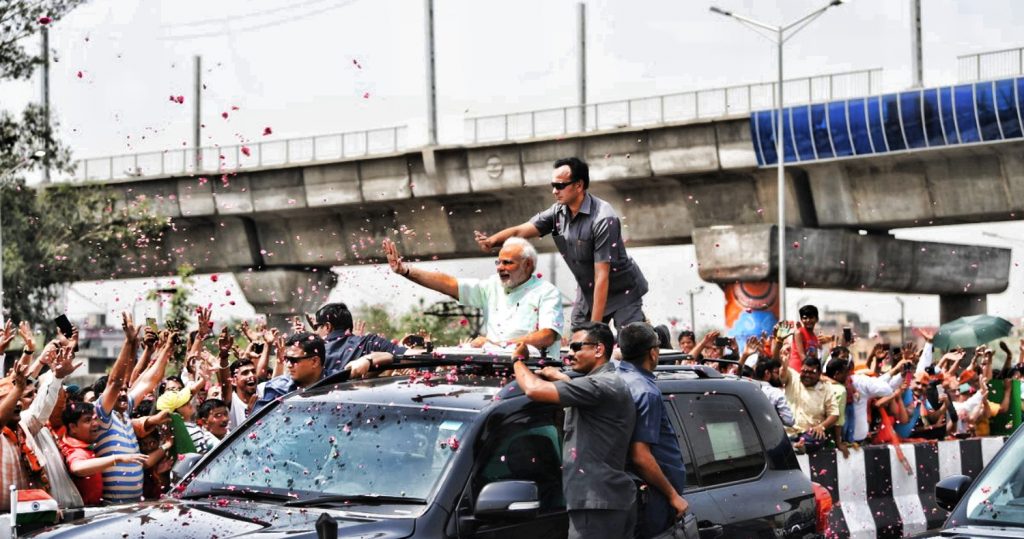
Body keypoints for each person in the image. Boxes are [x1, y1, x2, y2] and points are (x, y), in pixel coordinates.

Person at [476, 157, 648, 330]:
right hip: (588, 289)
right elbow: (520, 231)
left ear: (579, 185)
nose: (554, 191)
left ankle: (659, 336)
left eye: (560, 186)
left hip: (622, 291)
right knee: (580, 345)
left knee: (632, 343)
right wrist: (492, 241)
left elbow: (602, 276)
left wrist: (595, 328)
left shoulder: (603, 218)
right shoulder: (558, 212)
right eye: (553, 185)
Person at [512, 322, 635, 539]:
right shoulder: (602, 384)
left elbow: (533, 389)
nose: (570, 353)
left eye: (577, 347)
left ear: (599, 349)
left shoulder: (602, 385)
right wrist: (564, 379)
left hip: (596, 504)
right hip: (602, 500)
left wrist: (517, 361)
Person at [384, 236, 564, 358]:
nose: (500, 267)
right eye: (498, 262)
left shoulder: (546, 292)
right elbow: (449, 284)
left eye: (507, 263)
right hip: (498, 370)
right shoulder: (491, 286)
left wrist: (496, 345)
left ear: (528, 264)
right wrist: (406, 271)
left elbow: (547, 336)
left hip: (537, 374)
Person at [616, 322, 689, 538]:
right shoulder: (646, 391)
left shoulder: (613, 379)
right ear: (653, 353)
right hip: (653, 497)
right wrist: (673, 495)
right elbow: (640, 456)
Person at [94, 314, 175, 503]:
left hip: (132, 504)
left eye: (125, 390)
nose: (123, 393)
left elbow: (149, 381)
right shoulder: (102, 415)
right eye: (118, 392)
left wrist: (167, 350)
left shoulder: (124, 413)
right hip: (111, 507)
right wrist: (129, 342)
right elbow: (114, 382)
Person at [59, 401, 147, 505]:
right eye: (87, 420)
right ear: (73, 427)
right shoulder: (75, 450)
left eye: (95, 418)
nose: (95, 424)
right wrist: (117, 459)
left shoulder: (81, 445)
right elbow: (77, 468)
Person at [311, 303, 406, 377]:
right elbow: (408, 355)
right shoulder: (369, 342)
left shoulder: (313, 355)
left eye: (316, 327)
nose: (315, 332)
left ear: (327, 326)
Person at [251, 333, 328, 413]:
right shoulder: (276, 390)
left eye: (293, 360)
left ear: (314, 361)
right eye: (286, 359)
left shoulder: (339, 385)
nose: (288, 365)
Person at [779, 356, 840, 454]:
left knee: (817, 437)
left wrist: (821, 427)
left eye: (811, 372)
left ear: (819, 374)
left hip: (809, 434)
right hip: (788, 431)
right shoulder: (793, 377)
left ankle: (800, 447)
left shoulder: (826, 388)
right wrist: (783, 361)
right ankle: (795, 445)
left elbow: (834, 414)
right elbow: (782, 374)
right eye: (804, 371)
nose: (807, 375)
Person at [790, 305, 821, 370]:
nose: (808, 320)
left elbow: (815, 357)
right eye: (805, 318)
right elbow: (802, 356)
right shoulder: (799, 333)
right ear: (801, 319)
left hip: (808, 369)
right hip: (797, 369)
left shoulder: (814, 337)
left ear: (817, 319)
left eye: (811, 317)